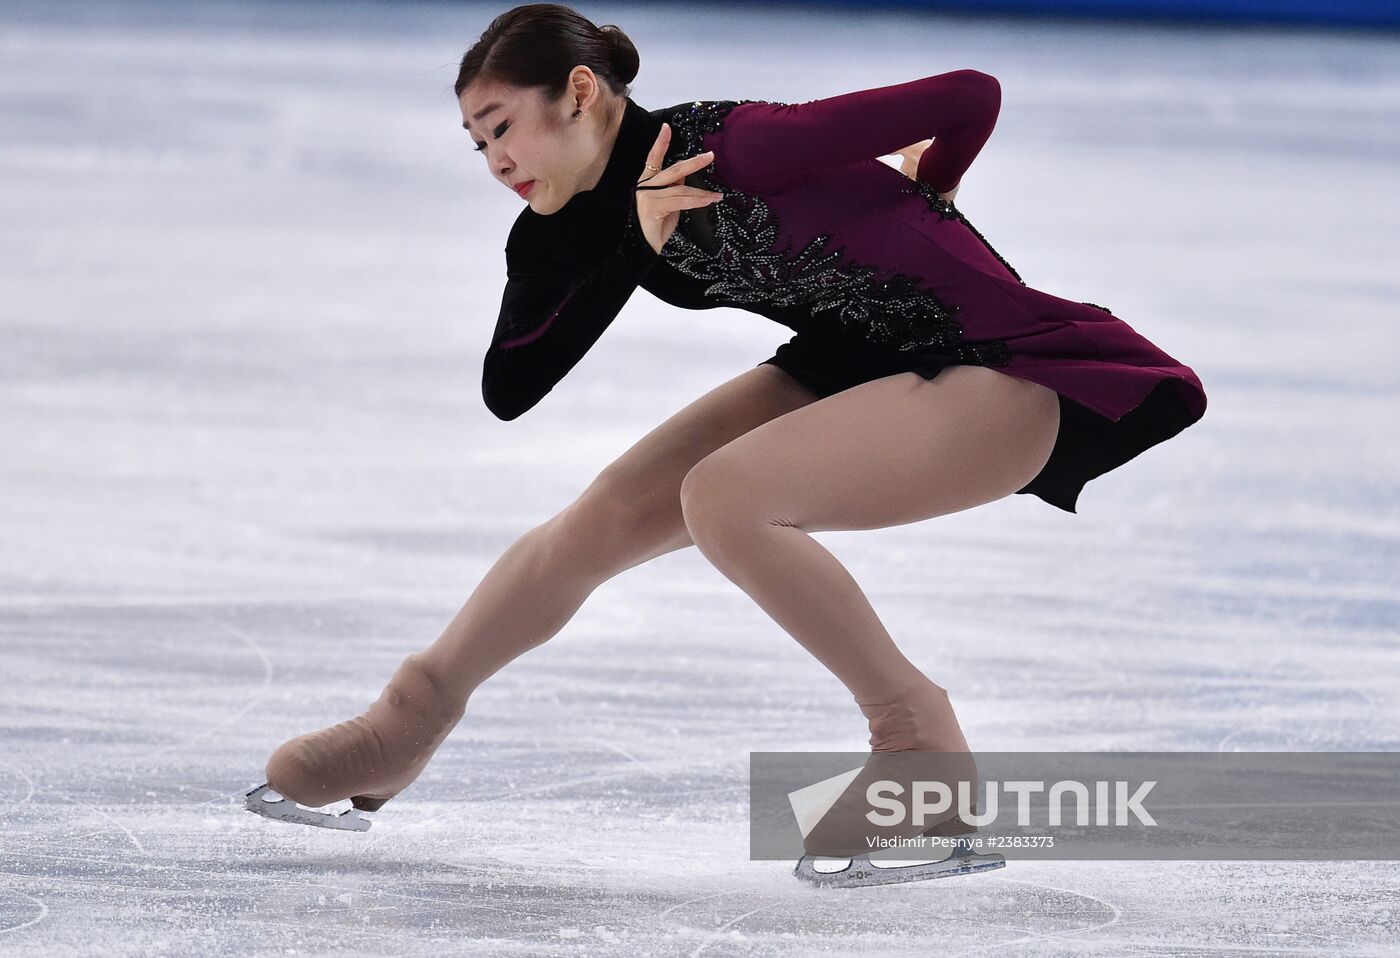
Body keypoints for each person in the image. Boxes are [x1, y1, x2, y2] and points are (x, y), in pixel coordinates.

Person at [257, 3, 1207, 823]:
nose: (494, 159)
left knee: (724, 496)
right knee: (611, 513)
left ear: (580, 93)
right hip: (846, 366)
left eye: (502, 126)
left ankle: (922, 750)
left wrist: (939, 179)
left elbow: (969, 93)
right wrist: (636, 240)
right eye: (477, 142)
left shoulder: (736, 145)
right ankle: (407, 720)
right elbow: (511, 387)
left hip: (1004, 374)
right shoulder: (560, 228)